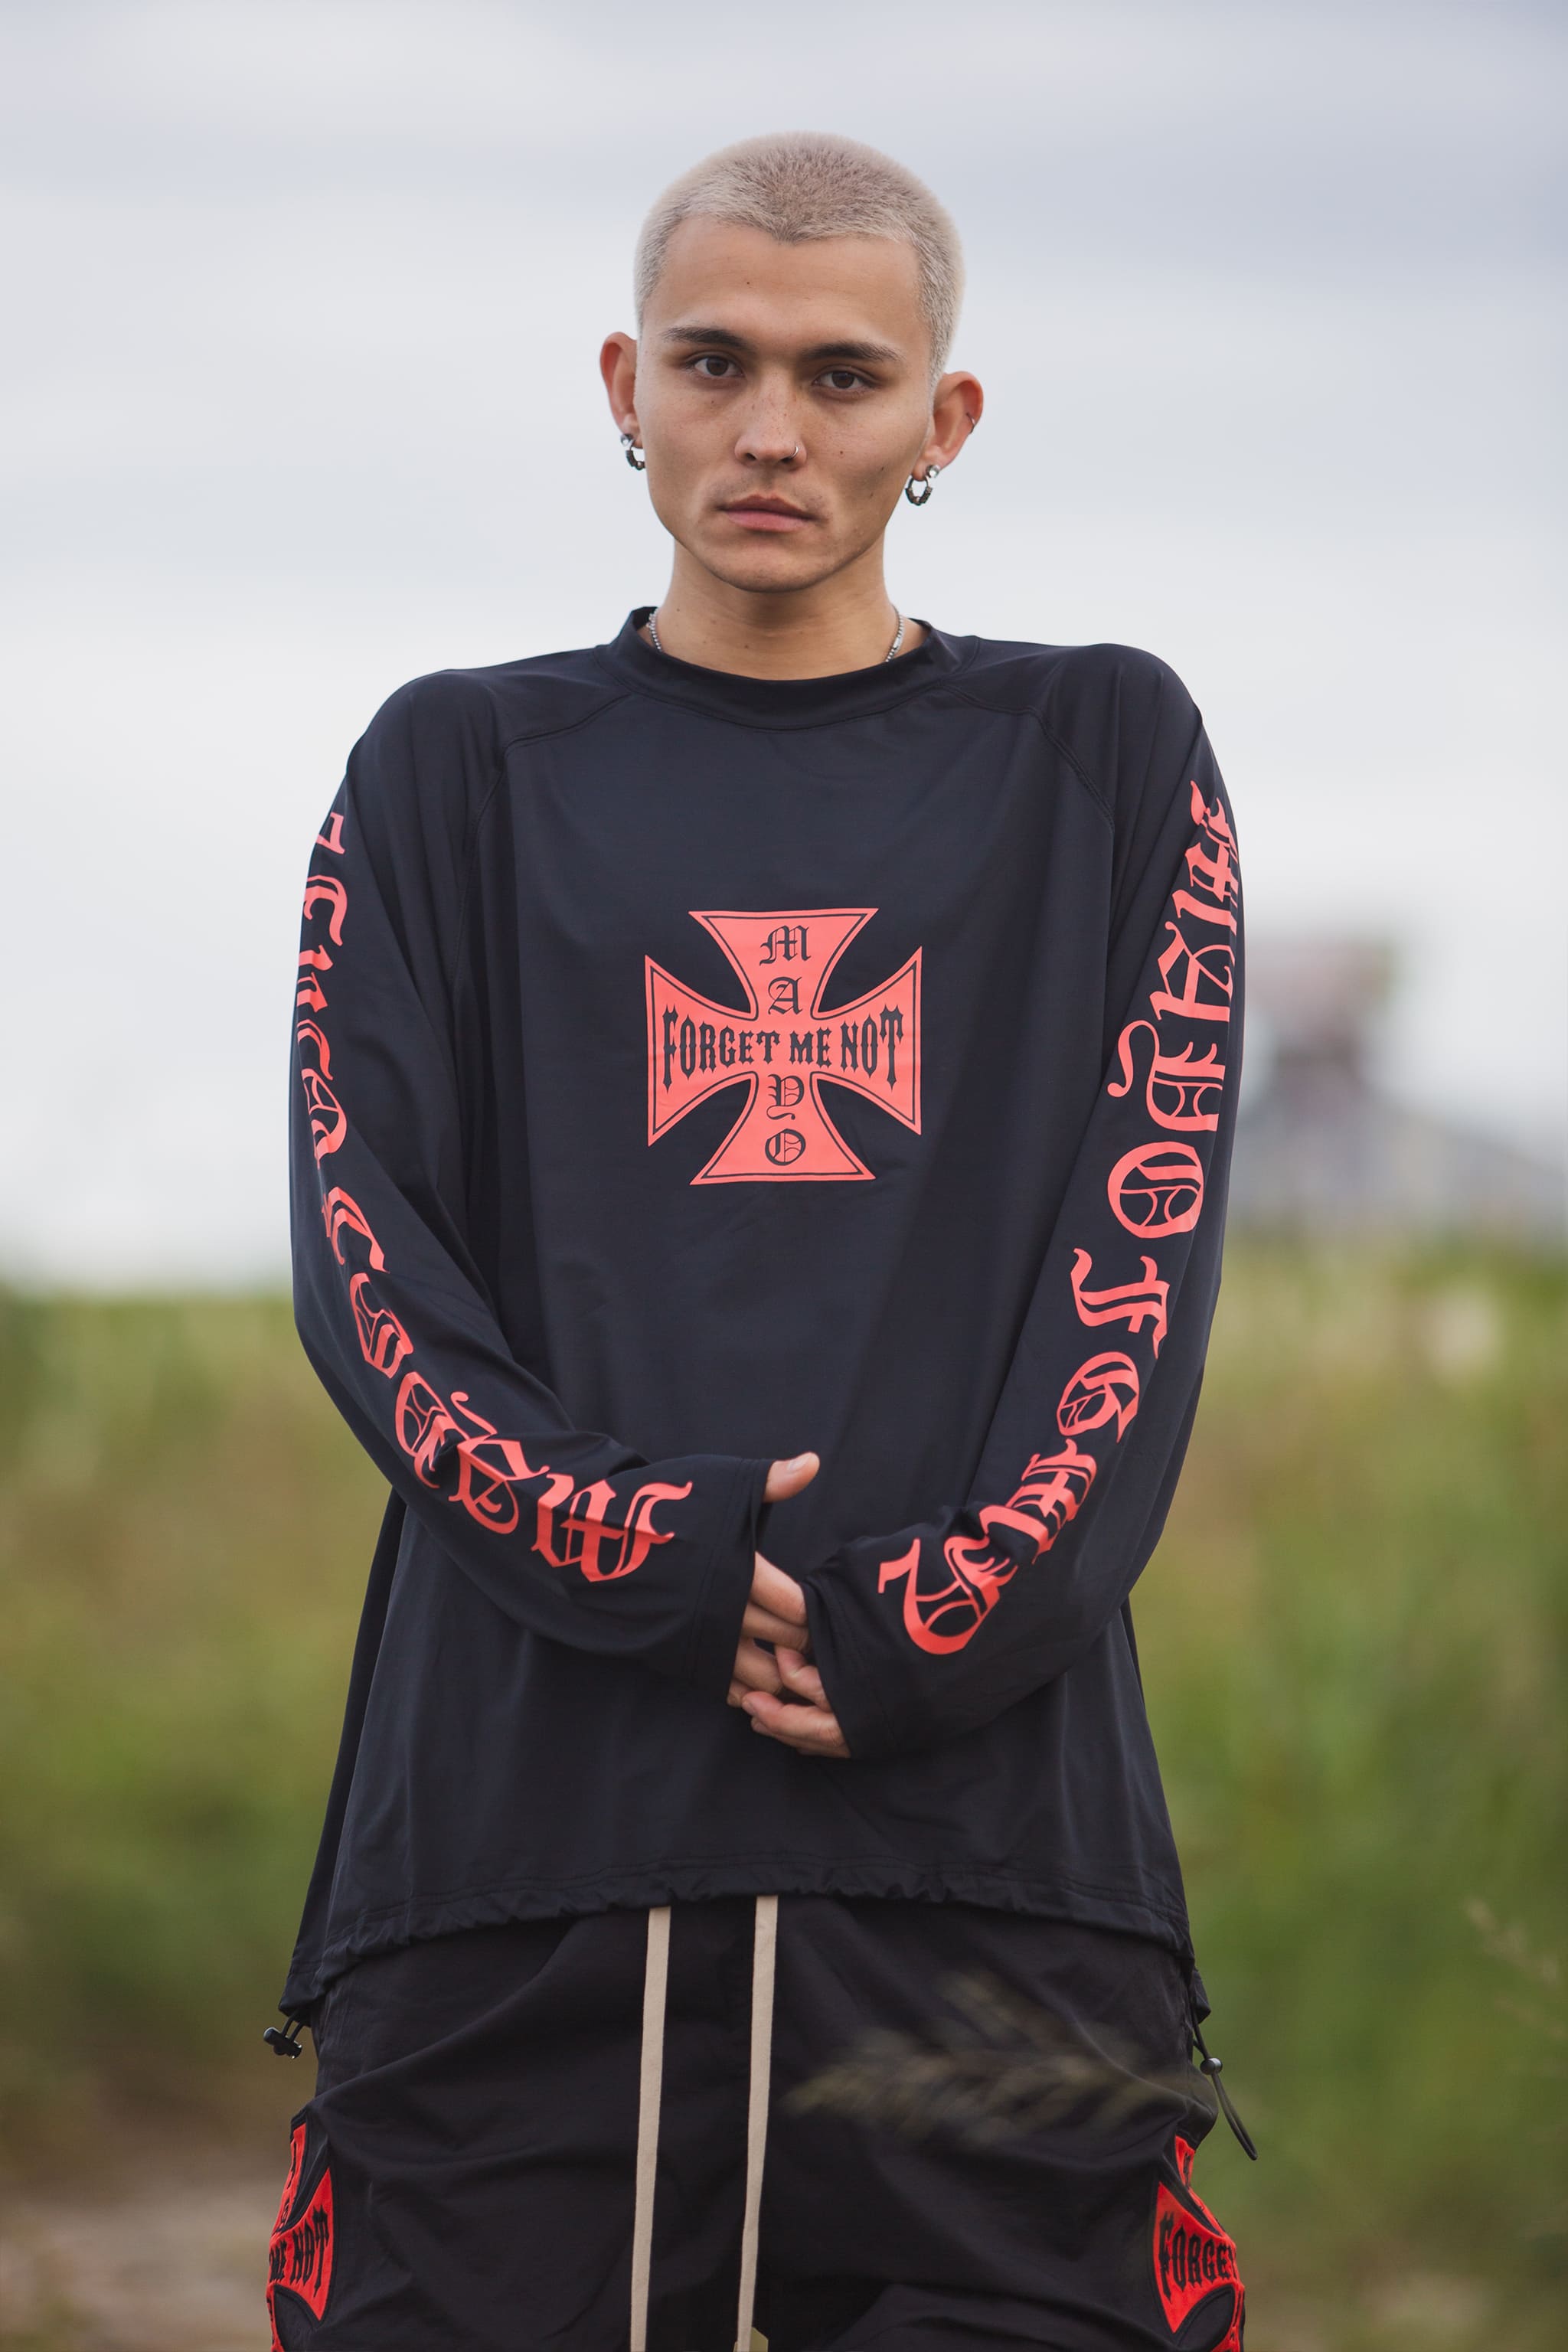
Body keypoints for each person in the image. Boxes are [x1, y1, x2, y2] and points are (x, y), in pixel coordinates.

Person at [267, 130, 1251, 2352]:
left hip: (981, 1843)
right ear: (627, 385)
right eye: (715, 364)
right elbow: (365, 1250)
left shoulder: (1101, 752)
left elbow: (1142, 1253)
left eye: (845, 375)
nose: (774, 431)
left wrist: (945, 1607)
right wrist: (645, 1548)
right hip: (524, 1838)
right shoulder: (452, 771)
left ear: (945, 417)